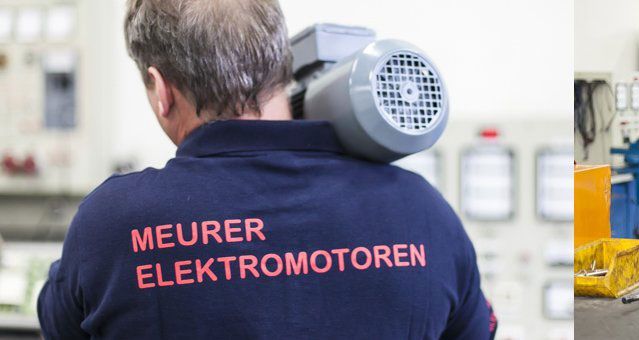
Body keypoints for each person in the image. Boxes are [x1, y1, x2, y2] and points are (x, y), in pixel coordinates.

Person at [36, 1, 495, 338]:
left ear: (161, 89)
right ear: (280, 63)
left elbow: (58, 324)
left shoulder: (112, 225)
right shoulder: (423, 212)